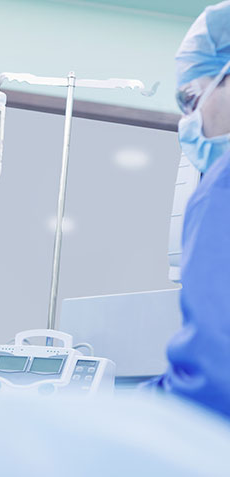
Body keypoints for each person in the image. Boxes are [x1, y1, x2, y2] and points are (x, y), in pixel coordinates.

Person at [144, 1, 230, 420]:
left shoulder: (224, 184)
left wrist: (118, 413)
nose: (189, 121)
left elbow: (213, 383)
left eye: (192, 99)